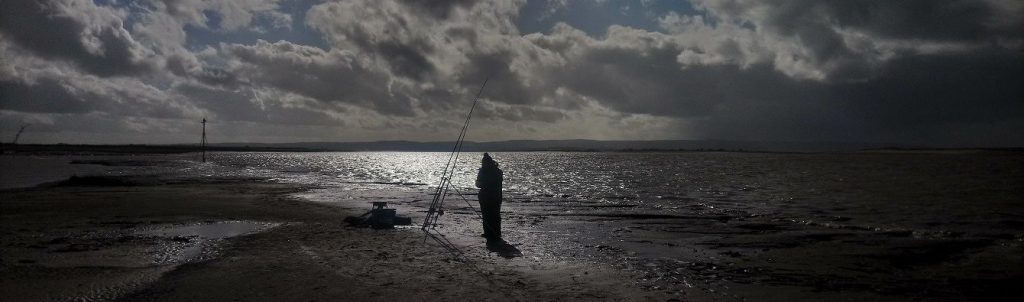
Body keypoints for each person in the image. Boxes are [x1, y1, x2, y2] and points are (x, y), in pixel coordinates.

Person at [475, 153, 503, 240]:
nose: (483, 164)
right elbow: (479, 184)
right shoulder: (498, 171)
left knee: (490, 215)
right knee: (491, 215)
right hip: (492, 196)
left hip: (490, 196)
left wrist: (481, 183)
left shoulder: (488, 171)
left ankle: (493, 233)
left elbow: (479, 184)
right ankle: (492, 233)